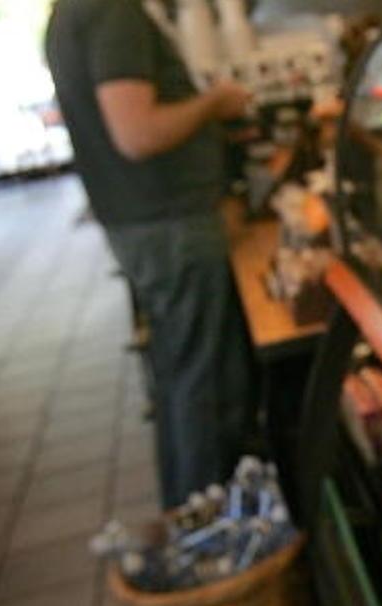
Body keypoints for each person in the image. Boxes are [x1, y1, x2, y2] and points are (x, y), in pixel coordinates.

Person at [46, 0, 258, 508]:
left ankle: (194, 518)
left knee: (182, 379)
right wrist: (214, 102)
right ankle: (210, 532)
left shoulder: (74, 12)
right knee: (203, 388)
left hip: (149, 224)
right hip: (170, 227)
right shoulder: (113, 11)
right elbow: (137, 134)